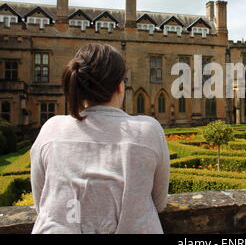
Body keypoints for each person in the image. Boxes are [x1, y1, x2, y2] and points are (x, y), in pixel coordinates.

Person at [30, 43, 170, 234]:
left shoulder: (51, 128)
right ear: (120, 87)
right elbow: (159, 202)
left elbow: (42, 203)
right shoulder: (149, 129)